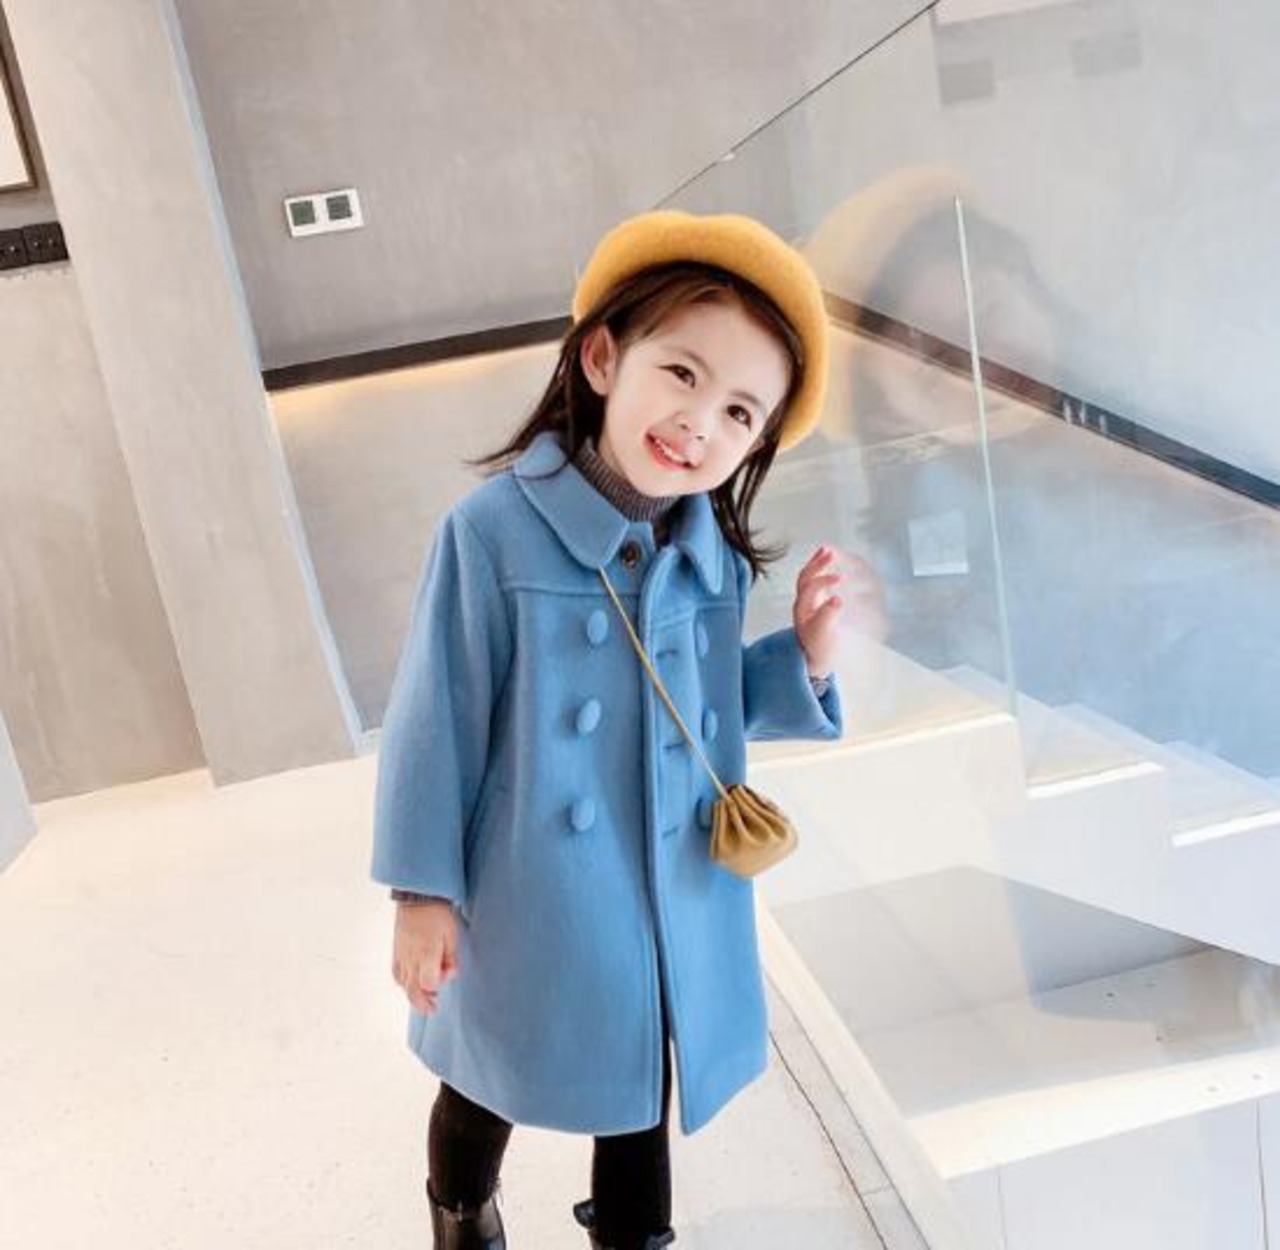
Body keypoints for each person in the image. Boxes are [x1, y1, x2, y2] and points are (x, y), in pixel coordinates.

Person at [371, 209, 851, 1250]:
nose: (697, 424)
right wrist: (421, 894)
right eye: (680, 373)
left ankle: (634, 1235)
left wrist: (806, 657)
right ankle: (461, 1209)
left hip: (666, 880)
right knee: (487, 1070)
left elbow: (705, 710)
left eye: (738, 412)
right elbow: (433, 722)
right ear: (600, 358)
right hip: (528, 882)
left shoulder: (710, 557)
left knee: (642, 1076)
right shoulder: (492, 533)